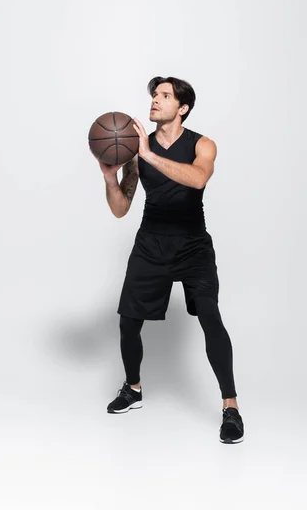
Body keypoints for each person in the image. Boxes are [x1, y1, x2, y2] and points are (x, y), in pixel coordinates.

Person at [97, 76, 244, 444]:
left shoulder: (202, 144)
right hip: (151, 243)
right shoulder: (136, 148)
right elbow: (120, 209)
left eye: (165, 96)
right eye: (154, 95)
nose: (155, 101)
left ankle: (231, 408)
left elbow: (197, 180)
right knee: (128, 322)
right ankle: (133, 389)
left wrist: (148, 156)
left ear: (183, 108)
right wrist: (110, 178)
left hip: (193, 244)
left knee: (210, 316)